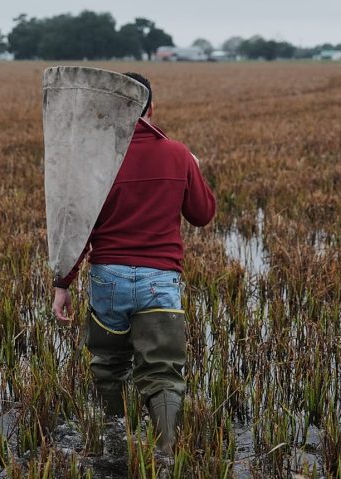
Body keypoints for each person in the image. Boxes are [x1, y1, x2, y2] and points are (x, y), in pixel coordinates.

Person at [51, 72, 216, 455]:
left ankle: (115, 441)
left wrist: (63, 283)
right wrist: (192, 165)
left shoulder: (96, 161)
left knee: (109, 365)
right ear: (151, 108)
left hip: (108, 278)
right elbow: (203, 214)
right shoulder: (176, 153)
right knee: (161, 373)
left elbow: (75, 228)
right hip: (160, 280)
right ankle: (166, 453)